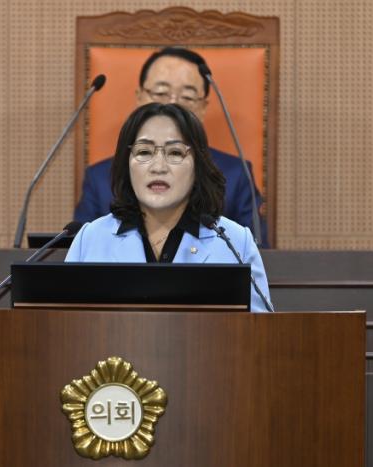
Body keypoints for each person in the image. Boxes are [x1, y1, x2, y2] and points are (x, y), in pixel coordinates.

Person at [66, 103, 272, 312]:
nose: (158, 167)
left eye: (175, 153)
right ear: (126, 163)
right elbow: (65, 325)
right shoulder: (90, 239)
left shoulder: (235, 242)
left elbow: (260, 329)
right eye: (144, 152)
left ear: (198, 165)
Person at [74, 47, 269, 247]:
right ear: (139, 97)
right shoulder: (99, 178)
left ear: (203, 107)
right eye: (161, 92)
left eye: (187, 96)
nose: (173, 104)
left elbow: (257, 254)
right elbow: (82, 254)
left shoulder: (236, 175)